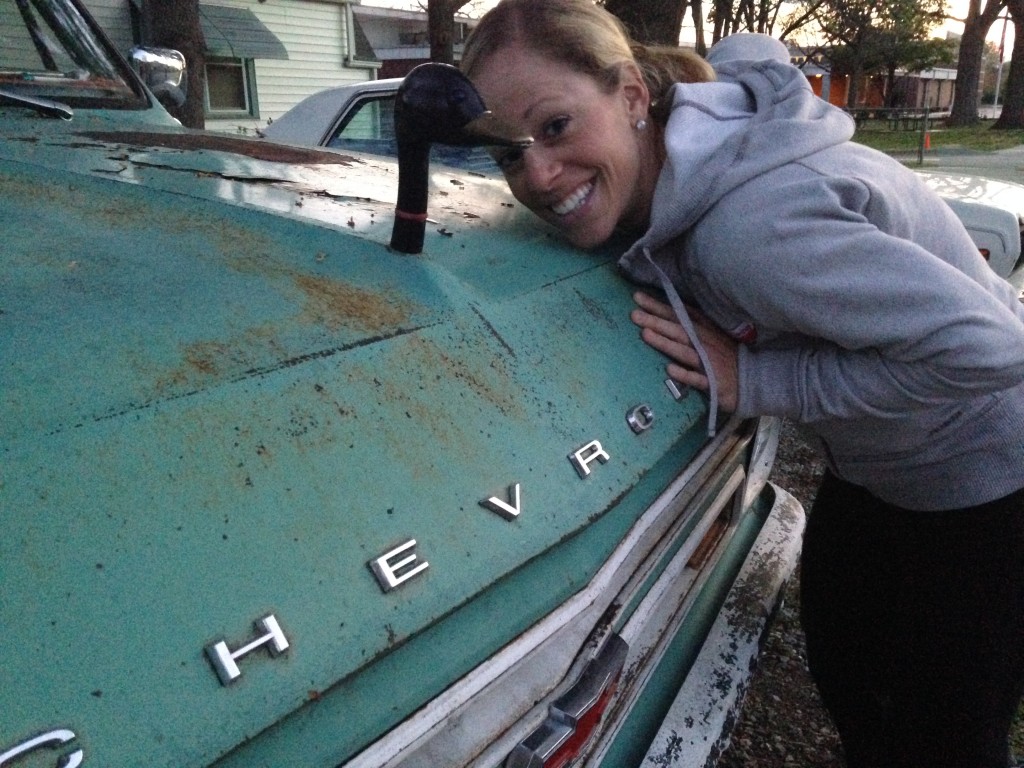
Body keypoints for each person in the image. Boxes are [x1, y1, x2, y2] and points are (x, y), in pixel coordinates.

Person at [460, 2, 1024, 767]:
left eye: (555, 128)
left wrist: (760, 377)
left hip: (989, 481)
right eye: (507, 155)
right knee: (851, 676)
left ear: (632, 95)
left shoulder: (748, 235)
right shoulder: (698, 123)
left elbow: (993, 350)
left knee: (944, 735)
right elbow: (750, 49)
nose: (537, 176)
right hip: (874, 465)